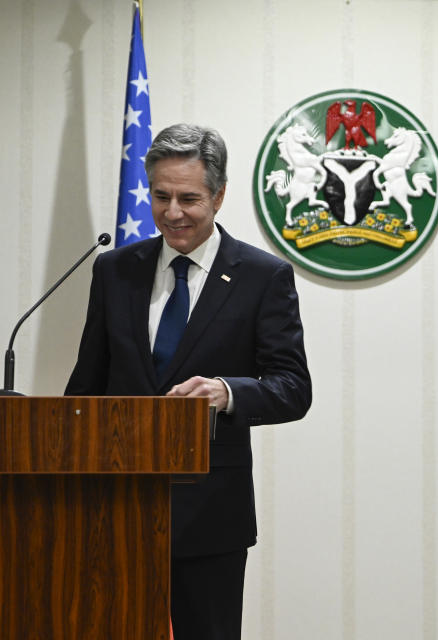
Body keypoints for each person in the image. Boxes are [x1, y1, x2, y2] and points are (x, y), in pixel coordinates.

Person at [65, 124, 311, 640]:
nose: (172, 212)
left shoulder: (262, 276)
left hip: (209, 513)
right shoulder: (115, 271)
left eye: (189, 198)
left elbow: (293, 387)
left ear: (219, 196)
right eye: (160, 196)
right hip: (115, 508)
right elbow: (86, 387)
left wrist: (228, 392)